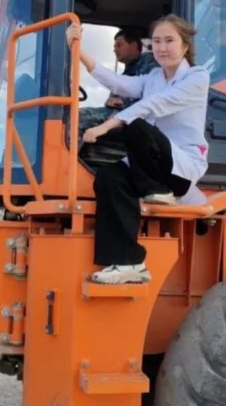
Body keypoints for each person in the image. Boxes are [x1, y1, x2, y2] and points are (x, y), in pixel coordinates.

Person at [65, 14, 210, 285]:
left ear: (185, 45)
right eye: (156, 42)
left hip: (178, 169)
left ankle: (161, 191)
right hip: (152, 167)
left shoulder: (197, 77)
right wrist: (79, 50)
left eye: (169, 40)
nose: (162, 47)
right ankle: (128, 263)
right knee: (109, 177)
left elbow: (154, 104)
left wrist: (106, 126)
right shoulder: (154, 77)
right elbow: (119, 84)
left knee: (136, 125)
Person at [78, 29, 158, 137]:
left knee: (79, 116)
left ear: (133, 46)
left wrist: (123, 102)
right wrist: (111, 101)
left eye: (119, 45)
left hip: (136, 117)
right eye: (114, 47)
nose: (115, 50)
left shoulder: (148, 62)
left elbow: (151, 93)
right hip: (121, 113)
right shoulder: (128, 70)